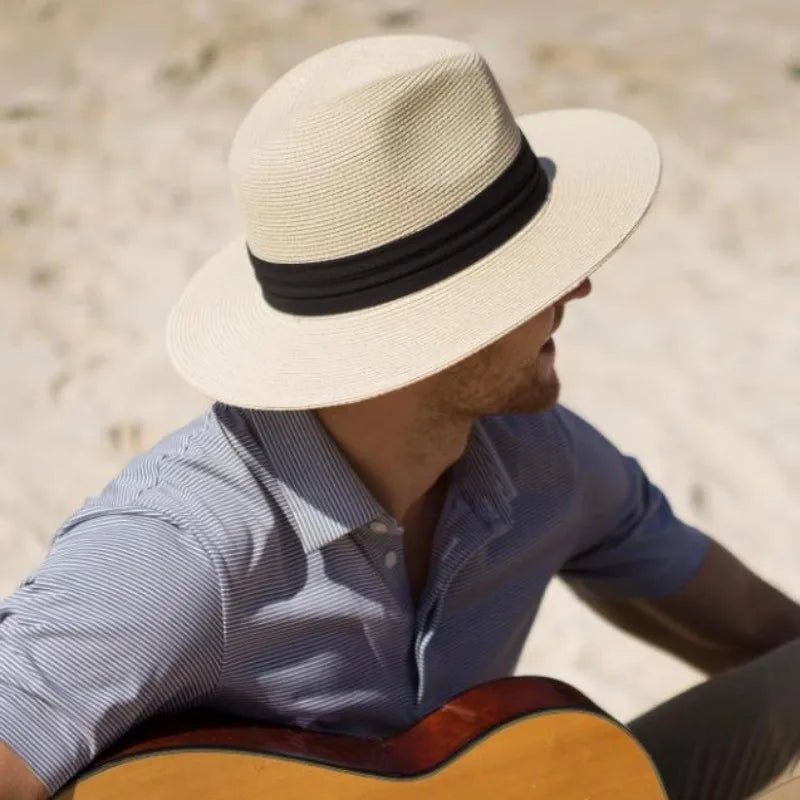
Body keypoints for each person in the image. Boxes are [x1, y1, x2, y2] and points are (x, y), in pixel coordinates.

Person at [0, 34, 797, 800]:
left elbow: (754, 634)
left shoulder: (543, 462)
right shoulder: (176, 554)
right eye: (538, 272)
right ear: (432, 331)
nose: (579, 288)